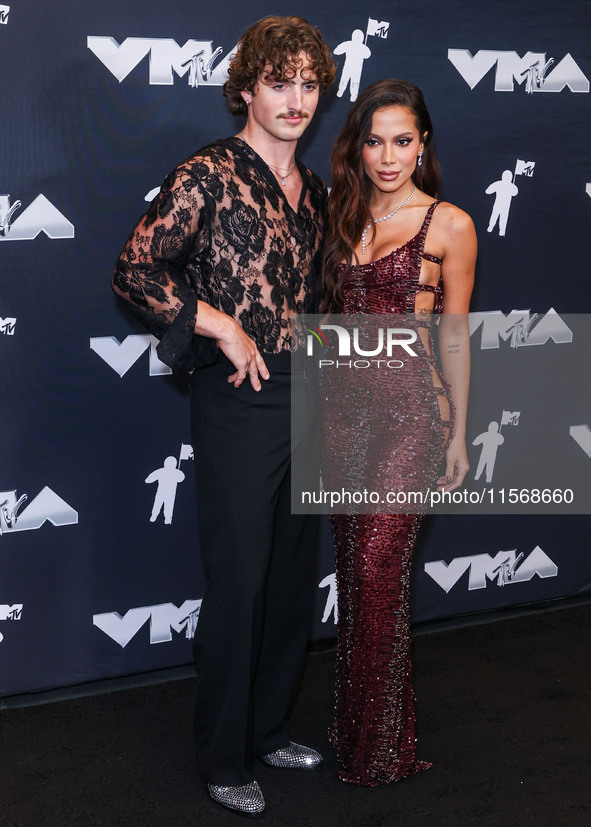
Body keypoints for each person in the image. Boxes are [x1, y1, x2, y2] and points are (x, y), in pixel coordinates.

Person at [112, 16, 336, 817]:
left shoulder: (317, 190)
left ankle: (269, 726)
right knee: (240, 577)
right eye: (280, 81)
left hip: (309, 388)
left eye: (309, 83)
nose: (295, 98)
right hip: (240, 396)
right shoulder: (207, 173)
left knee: (288, 575)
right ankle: (222, 754)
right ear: (246, 87)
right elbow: (135, 269)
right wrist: (219, 321)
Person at [320, 79, 476, 786]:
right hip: (339, 419)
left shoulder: (448, 224)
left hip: (410, 418)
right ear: (358, 146)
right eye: (375, 140)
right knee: (356, 577)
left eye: (403, 140)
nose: (388, 156)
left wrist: (457, 434)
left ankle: (379, 745)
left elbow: (452, 336)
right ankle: (355, 728)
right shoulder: (335, 214)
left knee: (378, 570)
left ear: (423, 144)